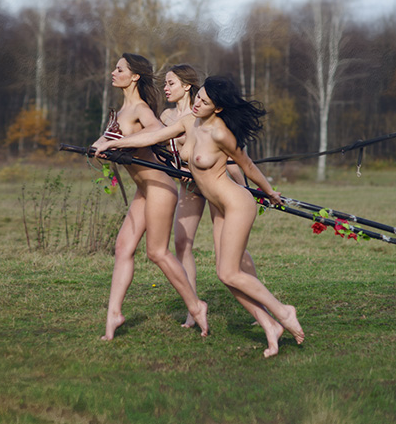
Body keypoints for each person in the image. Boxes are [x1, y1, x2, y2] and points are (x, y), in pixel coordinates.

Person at [96, 75, 304, 357]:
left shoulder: (220, 133)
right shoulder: (188, 122)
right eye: (198, 97)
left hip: (237, 205)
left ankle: (284, 311)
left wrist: (269, 192)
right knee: (227, 276)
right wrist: (113, 144)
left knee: (229, 272)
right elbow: (152, 136)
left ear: (218, 108)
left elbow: (247, 166)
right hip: (220, 204)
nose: (197, 104)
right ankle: (271, 326)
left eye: (205, 102)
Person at [91, 53, 210, 340]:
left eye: (119, 69)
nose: (113, 72)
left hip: (159, 187)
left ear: (134, 76)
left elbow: (157, 131)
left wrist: (119, 144)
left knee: (157, 252)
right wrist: (98, 148)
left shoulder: (141, 109)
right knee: (123, 247)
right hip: (143, 189)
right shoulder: (121, 112)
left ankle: (196, 305)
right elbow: (104, 143)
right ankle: (114, 315)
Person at [159, 65, 255, 328]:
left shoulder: (203, 115)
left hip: (214, 185)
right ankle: (193, 307)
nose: (166, 88)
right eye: (165, 84)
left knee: (228, 249)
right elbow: (158, 145)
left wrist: (244, 188)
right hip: (189, 187)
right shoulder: (166, 116)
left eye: (171, 83)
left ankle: (256, 304)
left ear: (186, 86)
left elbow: (230, 158)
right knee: (181, 243)